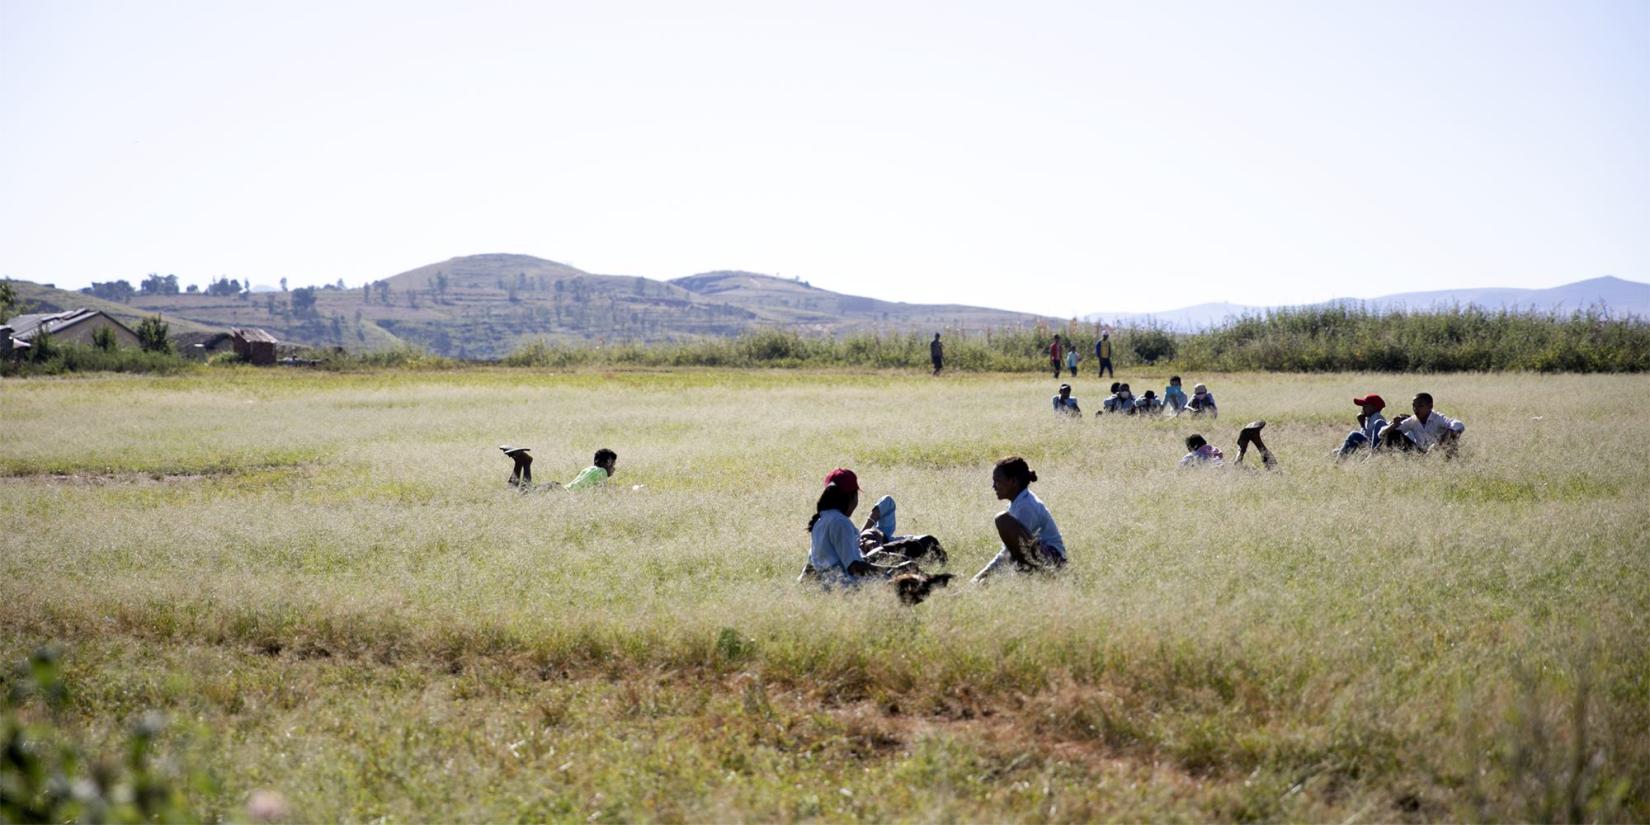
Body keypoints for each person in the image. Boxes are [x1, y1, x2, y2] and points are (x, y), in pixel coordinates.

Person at [972, 457, 1067, 582]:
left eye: (998, 481)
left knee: (1002, 519)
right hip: (1042, 557)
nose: (993, 486)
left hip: (1053, 562)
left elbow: (1007, 553)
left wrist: (979, 577)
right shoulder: (1019, 502)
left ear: (1013, 481)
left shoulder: (1026, 506)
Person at [1379, 392, 1465, 455]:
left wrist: (1440, 442)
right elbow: (1381, 434)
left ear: (1430, 406)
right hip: (1420, 454)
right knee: (1392, 434)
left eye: (1420, 406)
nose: (1416, 409)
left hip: (1438, 453)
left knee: (1452, 433)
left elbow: (1458, 424)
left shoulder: (1438, 418)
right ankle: (1394, 462)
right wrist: (1393, 425)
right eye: (1414, 406)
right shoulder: (1412, 420)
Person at [500, 446, 618, 490]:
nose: (613, 468)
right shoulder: (601, 472)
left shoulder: (589, 469)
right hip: (560, 493)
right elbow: (602, 493)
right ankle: (526, 462)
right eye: (612, 465)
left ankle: (519, 461)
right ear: (607, 462)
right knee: (525, 492)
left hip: (557, 488)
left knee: (516, 493)